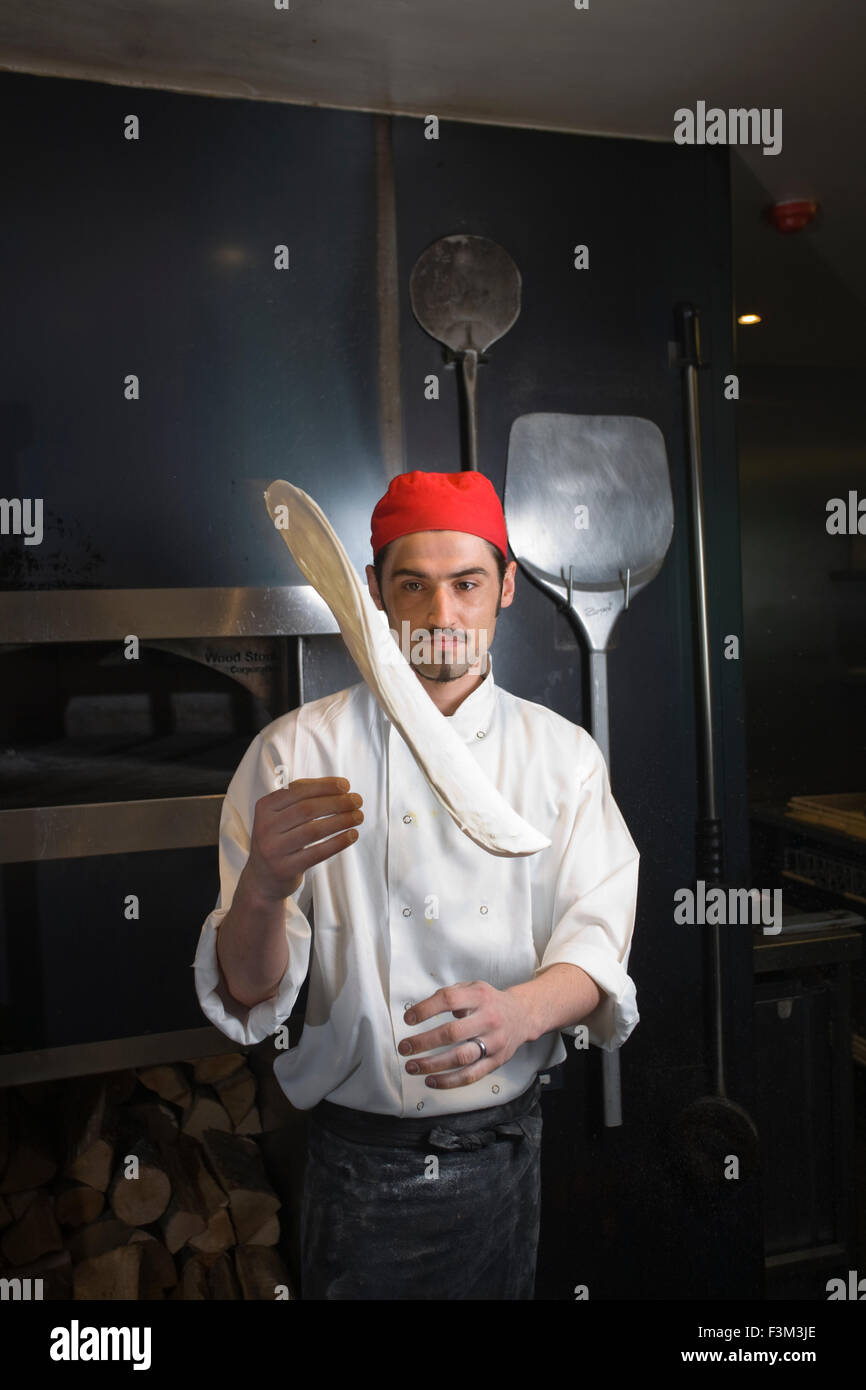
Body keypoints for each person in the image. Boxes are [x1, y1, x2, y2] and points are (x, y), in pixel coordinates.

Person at [193, 469, 640, 1300]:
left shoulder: (562, 757)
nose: (442, 617)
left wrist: (525, 1011)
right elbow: (252, 993)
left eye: (467, 584)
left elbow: (598, 939)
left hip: (506, 1151)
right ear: (371, 591)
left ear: (506, 586)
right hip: (356, 1161)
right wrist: (260, 887)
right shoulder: (298, 758)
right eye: (414, 586)